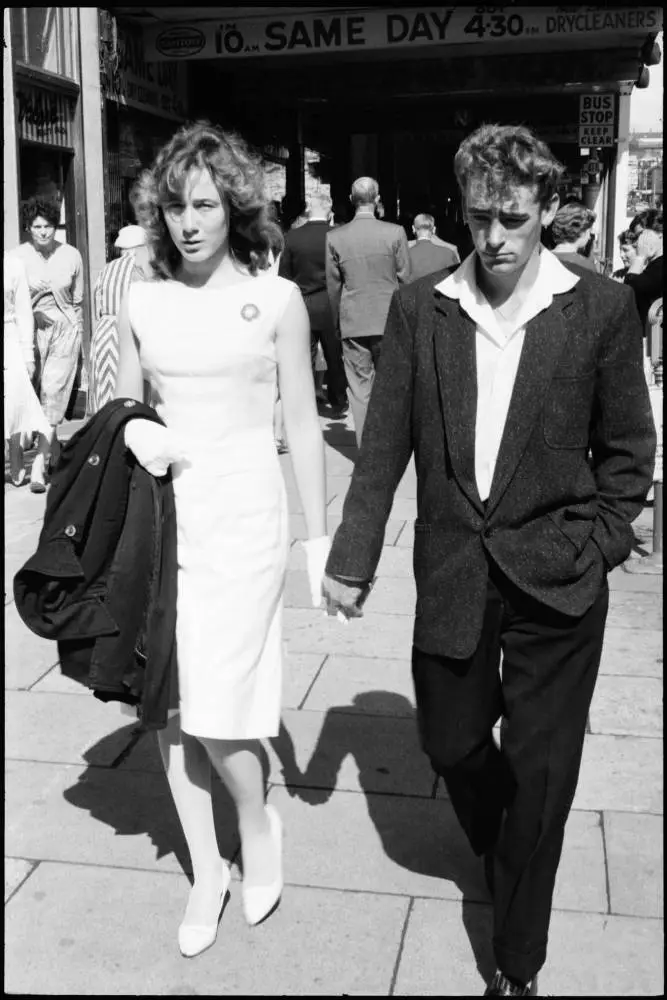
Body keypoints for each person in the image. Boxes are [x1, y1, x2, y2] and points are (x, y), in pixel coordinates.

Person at [322, 123, 655, 997]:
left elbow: (628, 449)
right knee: (450, 740)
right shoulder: (422, 306)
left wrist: (603, 538)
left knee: (541, 783)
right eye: (480, 218)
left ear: (547, 207)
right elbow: (383, 441)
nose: (496, 237)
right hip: (454, 570)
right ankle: (504, 834)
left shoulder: (599, 306)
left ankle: (515, 965)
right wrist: (351, 558)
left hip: (559, 579)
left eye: (513, 217)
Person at [114, 121, 329, 959]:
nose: (188, 222)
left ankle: (254, 820)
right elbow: (123, 407)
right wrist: (136, 435)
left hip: (244, 515)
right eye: (173, 207)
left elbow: (304, 425)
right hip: (166, 517)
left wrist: (319, 538)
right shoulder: (140, 298)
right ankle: (206, 866)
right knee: (170, 700)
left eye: (203, 204)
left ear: (233, 205)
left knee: (219, 701)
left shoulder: (275, 299)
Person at [326, 176, 411, 445]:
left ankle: (367, 448)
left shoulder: (334, 237)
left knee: (360, 389)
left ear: (352, 201)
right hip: (389, 319)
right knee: (391, 385)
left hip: (354, 320)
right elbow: (407, 279)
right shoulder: (395, 233)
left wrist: (337, 322)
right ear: (377, 200)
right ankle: (391, 444)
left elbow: (333, 287)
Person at [12, 197, 84, 481]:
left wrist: (75, 327)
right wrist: (30, 301)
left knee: (53, 395)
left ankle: (40, 464)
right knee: (28, 395)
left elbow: (77, 300)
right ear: (28, 228)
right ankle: (38, 451)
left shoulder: (71, 254)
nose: (43, 232)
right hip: (28, 334)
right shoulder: (17, 257)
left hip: (64, 331)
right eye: (37, 226)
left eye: (49, 226)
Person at [279, 190, 348, 418]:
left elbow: (284, 276)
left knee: (303, 358)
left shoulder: (292, 237)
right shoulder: (337, 235)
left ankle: (305, 402)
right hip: (331, 302)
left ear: (309, 208)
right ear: (329, 209)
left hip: (303, 302)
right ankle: (338, 401)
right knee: (335, 356)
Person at [88, 224, 152, 413]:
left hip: (103, 334)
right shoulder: (142, 268)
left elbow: (96, 307)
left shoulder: (107, 269)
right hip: (129, 335)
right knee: (131, 398)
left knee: (105, 396)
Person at [3, 253, 51, 489]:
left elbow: (23, 312)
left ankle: (15, 449)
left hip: (9, 337)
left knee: (14, 399)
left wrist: (28, 354)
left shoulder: (13, 264)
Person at [624, 227, 664, 331]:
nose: (638, 243)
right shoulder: (654, 266)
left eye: (642, 235)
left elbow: (629, 291)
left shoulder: (659, 266)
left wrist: (640, 257)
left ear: (660, 235)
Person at [548, 200, 598, 273]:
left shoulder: (540, 259)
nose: (589, 237)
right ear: (582, 232)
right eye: (589, 232)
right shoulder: (586, 266)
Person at [408, 213, 460, 280]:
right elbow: (456, 280)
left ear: (413, 229)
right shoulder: (448, 253)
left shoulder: (404, 254)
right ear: (434, 230)